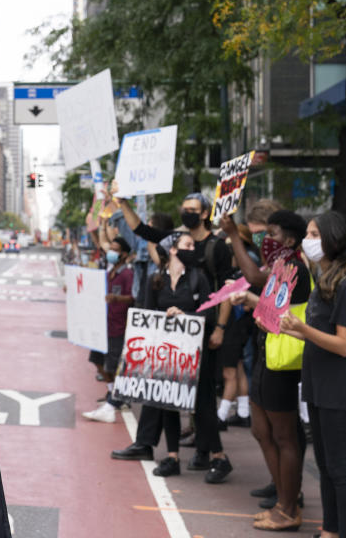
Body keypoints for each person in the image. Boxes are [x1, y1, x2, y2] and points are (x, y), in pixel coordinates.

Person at [111, 233, 233, 484]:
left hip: (196, 354)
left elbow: (210, 314)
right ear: (173, 250)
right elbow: (146, 312)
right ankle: (172, 457)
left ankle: (219, 457)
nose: (192, 248)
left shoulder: (199, 278)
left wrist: (185, 314)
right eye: (187, 245)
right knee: (167, 401)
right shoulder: (156, 280)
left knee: (203, 405)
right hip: (166, 353)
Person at [280, 211, 346, 538]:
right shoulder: (324, 279)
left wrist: (302, 327)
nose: (308, 240)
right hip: (318, 384)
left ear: (332, 238)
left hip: (338, 387)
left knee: (342, 469)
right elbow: (315, 334)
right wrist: (286, 328)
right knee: (325, 465)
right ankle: (331, 530)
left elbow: (344, 345)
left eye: (314, 234)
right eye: (308, 234)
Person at [223, 210, 310, 531]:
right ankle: (282, 502)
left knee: (285, 436)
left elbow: (257, 279)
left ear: (289, 240)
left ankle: (289, 508)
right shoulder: (281, 265)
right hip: (265, 354)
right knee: (262, 432)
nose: (265, 239)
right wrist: (250, 299)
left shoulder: (294, 266)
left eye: (271, 233)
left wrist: (233, 234)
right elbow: (269, 303)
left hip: (281, 362)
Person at [83, 236, 135, 423]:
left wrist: (117, 299)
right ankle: (113, 393)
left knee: (113, 365)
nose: (110, 252)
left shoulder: (128, 274)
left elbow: (133, 297)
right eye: (110, 248)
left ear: (124, 254)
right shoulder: (109, 272)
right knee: (96, 359)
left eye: (115, 249)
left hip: (118, 326)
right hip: (102, 325)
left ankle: (116, 400)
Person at [213, 224, 259, 429]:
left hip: (235, 324)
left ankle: (221, 416)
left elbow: (231, 296)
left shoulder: (246, 264)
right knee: (238, 367)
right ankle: (243, 411)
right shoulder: (246, 262)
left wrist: (220, 327)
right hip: (240, 324)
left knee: (229, 372)